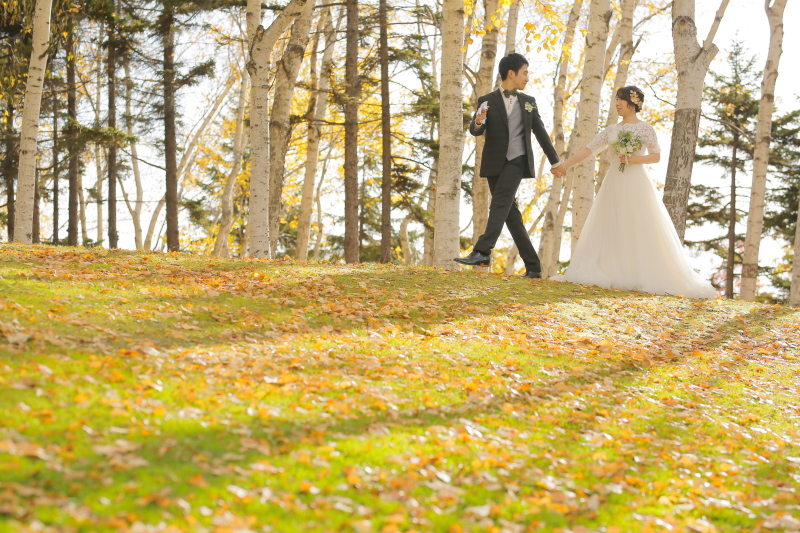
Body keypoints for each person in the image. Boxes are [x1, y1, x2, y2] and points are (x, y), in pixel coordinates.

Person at [553, 86, 717, 298]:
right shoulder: (611, 130)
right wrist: (564, 165)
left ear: (633, 103)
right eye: (616, 99)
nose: (617, 103)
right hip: (614, 180)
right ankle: (612, 269)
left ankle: (638, 272)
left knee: (637, 224)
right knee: (612, 222)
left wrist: (634, 158)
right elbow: (588, 149)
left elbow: (655, 156)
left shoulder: (645, 128)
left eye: (620, 99)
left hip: (636, 181)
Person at [454, 53, 565, 279]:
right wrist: (478, 121)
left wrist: (555, 161)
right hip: (494, 163)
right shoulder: (486, 100)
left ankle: (482, 251)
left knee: (499, 204)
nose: (527, 78)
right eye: (525, 73)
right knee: (510, 215)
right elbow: (476, 130)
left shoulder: (529, 102)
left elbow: (541, 132)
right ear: (511, 73)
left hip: (517, 160)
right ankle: (533, 267)